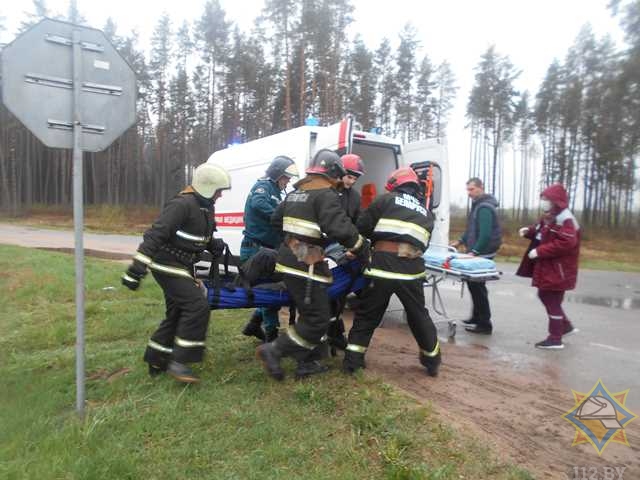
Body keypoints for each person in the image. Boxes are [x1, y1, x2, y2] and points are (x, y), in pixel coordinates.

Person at [256, 149, 369, 380]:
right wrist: (362, 248)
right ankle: (274, 351)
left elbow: (276, 220)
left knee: (310, 314)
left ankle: (305, 363)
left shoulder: (296, 191)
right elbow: (340, 228)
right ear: (333, 172)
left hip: (289, 260)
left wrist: (296, 243)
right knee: (318, 319)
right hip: (305, 265)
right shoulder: (325, 194)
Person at [121, 163, 231, 384]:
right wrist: (137, 268)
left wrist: (212, 245)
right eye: (219, 190)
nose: (220, 195)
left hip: (184, 265)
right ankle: (180, 362)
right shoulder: (181, 204)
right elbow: (156, 235)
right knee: (197, 306)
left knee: (177, 312)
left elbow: (197, 234)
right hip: (167, 263)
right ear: (208, 187)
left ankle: (156, 359)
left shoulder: (205, 206)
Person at [343, 167, 441, 377]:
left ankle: (353, 361)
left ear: (395, 184)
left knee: (368, 315)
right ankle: (432, 360)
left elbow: (362, 227)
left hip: (382, 268)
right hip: (411, 271)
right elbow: (423, 245)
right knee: (418, 316)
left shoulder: (384, 200)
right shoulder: (427, 213)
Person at [240, 156, 299, 343]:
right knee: (268, 293)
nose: (288, 181)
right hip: (256, 250)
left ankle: (254, 325)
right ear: (276, 174)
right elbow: (258, 203)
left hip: (267, 250)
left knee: (270, 291)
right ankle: (272, 340)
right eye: (286, 177)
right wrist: (280, 217)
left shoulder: (276, 191)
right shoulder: (264, 187)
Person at [516, 184, 581, 349]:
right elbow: (541, 232)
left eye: (546, 199)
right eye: (543, 199)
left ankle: (555, 338)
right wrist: (528, 231)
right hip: (551, 267)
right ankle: (564, 326)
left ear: (555, 201)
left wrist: (540, 251)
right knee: (548, 296)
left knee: (550, 298)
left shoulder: (566, 219)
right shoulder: (550, 216)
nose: (544, 202)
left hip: (559, 269)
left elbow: (566, 243)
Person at [450, 177, 502, 334]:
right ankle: (476, 317)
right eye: (467, 190)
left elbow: (485, 234)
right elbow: (472, 229)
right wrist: (459, 241)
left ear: (481, 188)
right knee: (474, 285)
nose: (469, 193)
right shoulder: (478, 206)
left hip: (483, 253)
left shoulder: (485, 207)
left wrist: (474, 252)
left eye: (471, 189)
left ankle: (485, 324)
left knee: (478, 286)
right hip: (478, 251)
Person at [326, 153, 366, 351]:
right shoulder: (328, 191)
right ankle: (329, 333)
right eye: (349, 176)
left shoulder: (355, 197)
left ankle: (335, 333)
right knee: (326, 293)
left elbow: (357, 222)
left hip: (342, 248)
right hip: (324, 247)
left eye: (355, 178)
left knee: (339, 293)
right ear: (341, 173)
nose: (351, 181)